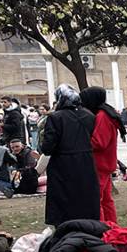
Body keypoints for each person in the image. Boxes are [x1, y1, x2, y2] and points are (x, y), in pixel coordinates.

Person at [40, 84, 100, 227]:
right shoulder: (89, 115)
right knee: (85, 195)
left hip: (63, 163)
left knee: (64, 198)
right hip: (86, 161)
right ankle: (87, 226)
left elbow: (48, 147)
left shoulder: (56, 117)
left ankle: (65, 227)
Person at [81, 86, 124, 224]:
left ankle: (102, 229)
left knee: (97, 200)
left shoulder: (102, 116)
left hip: (99, 164)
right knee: (106, 200)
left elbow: (99, 142)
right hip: (106, 163)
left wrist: (80, 141)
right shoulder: (108, 113)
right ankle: (111, 227)